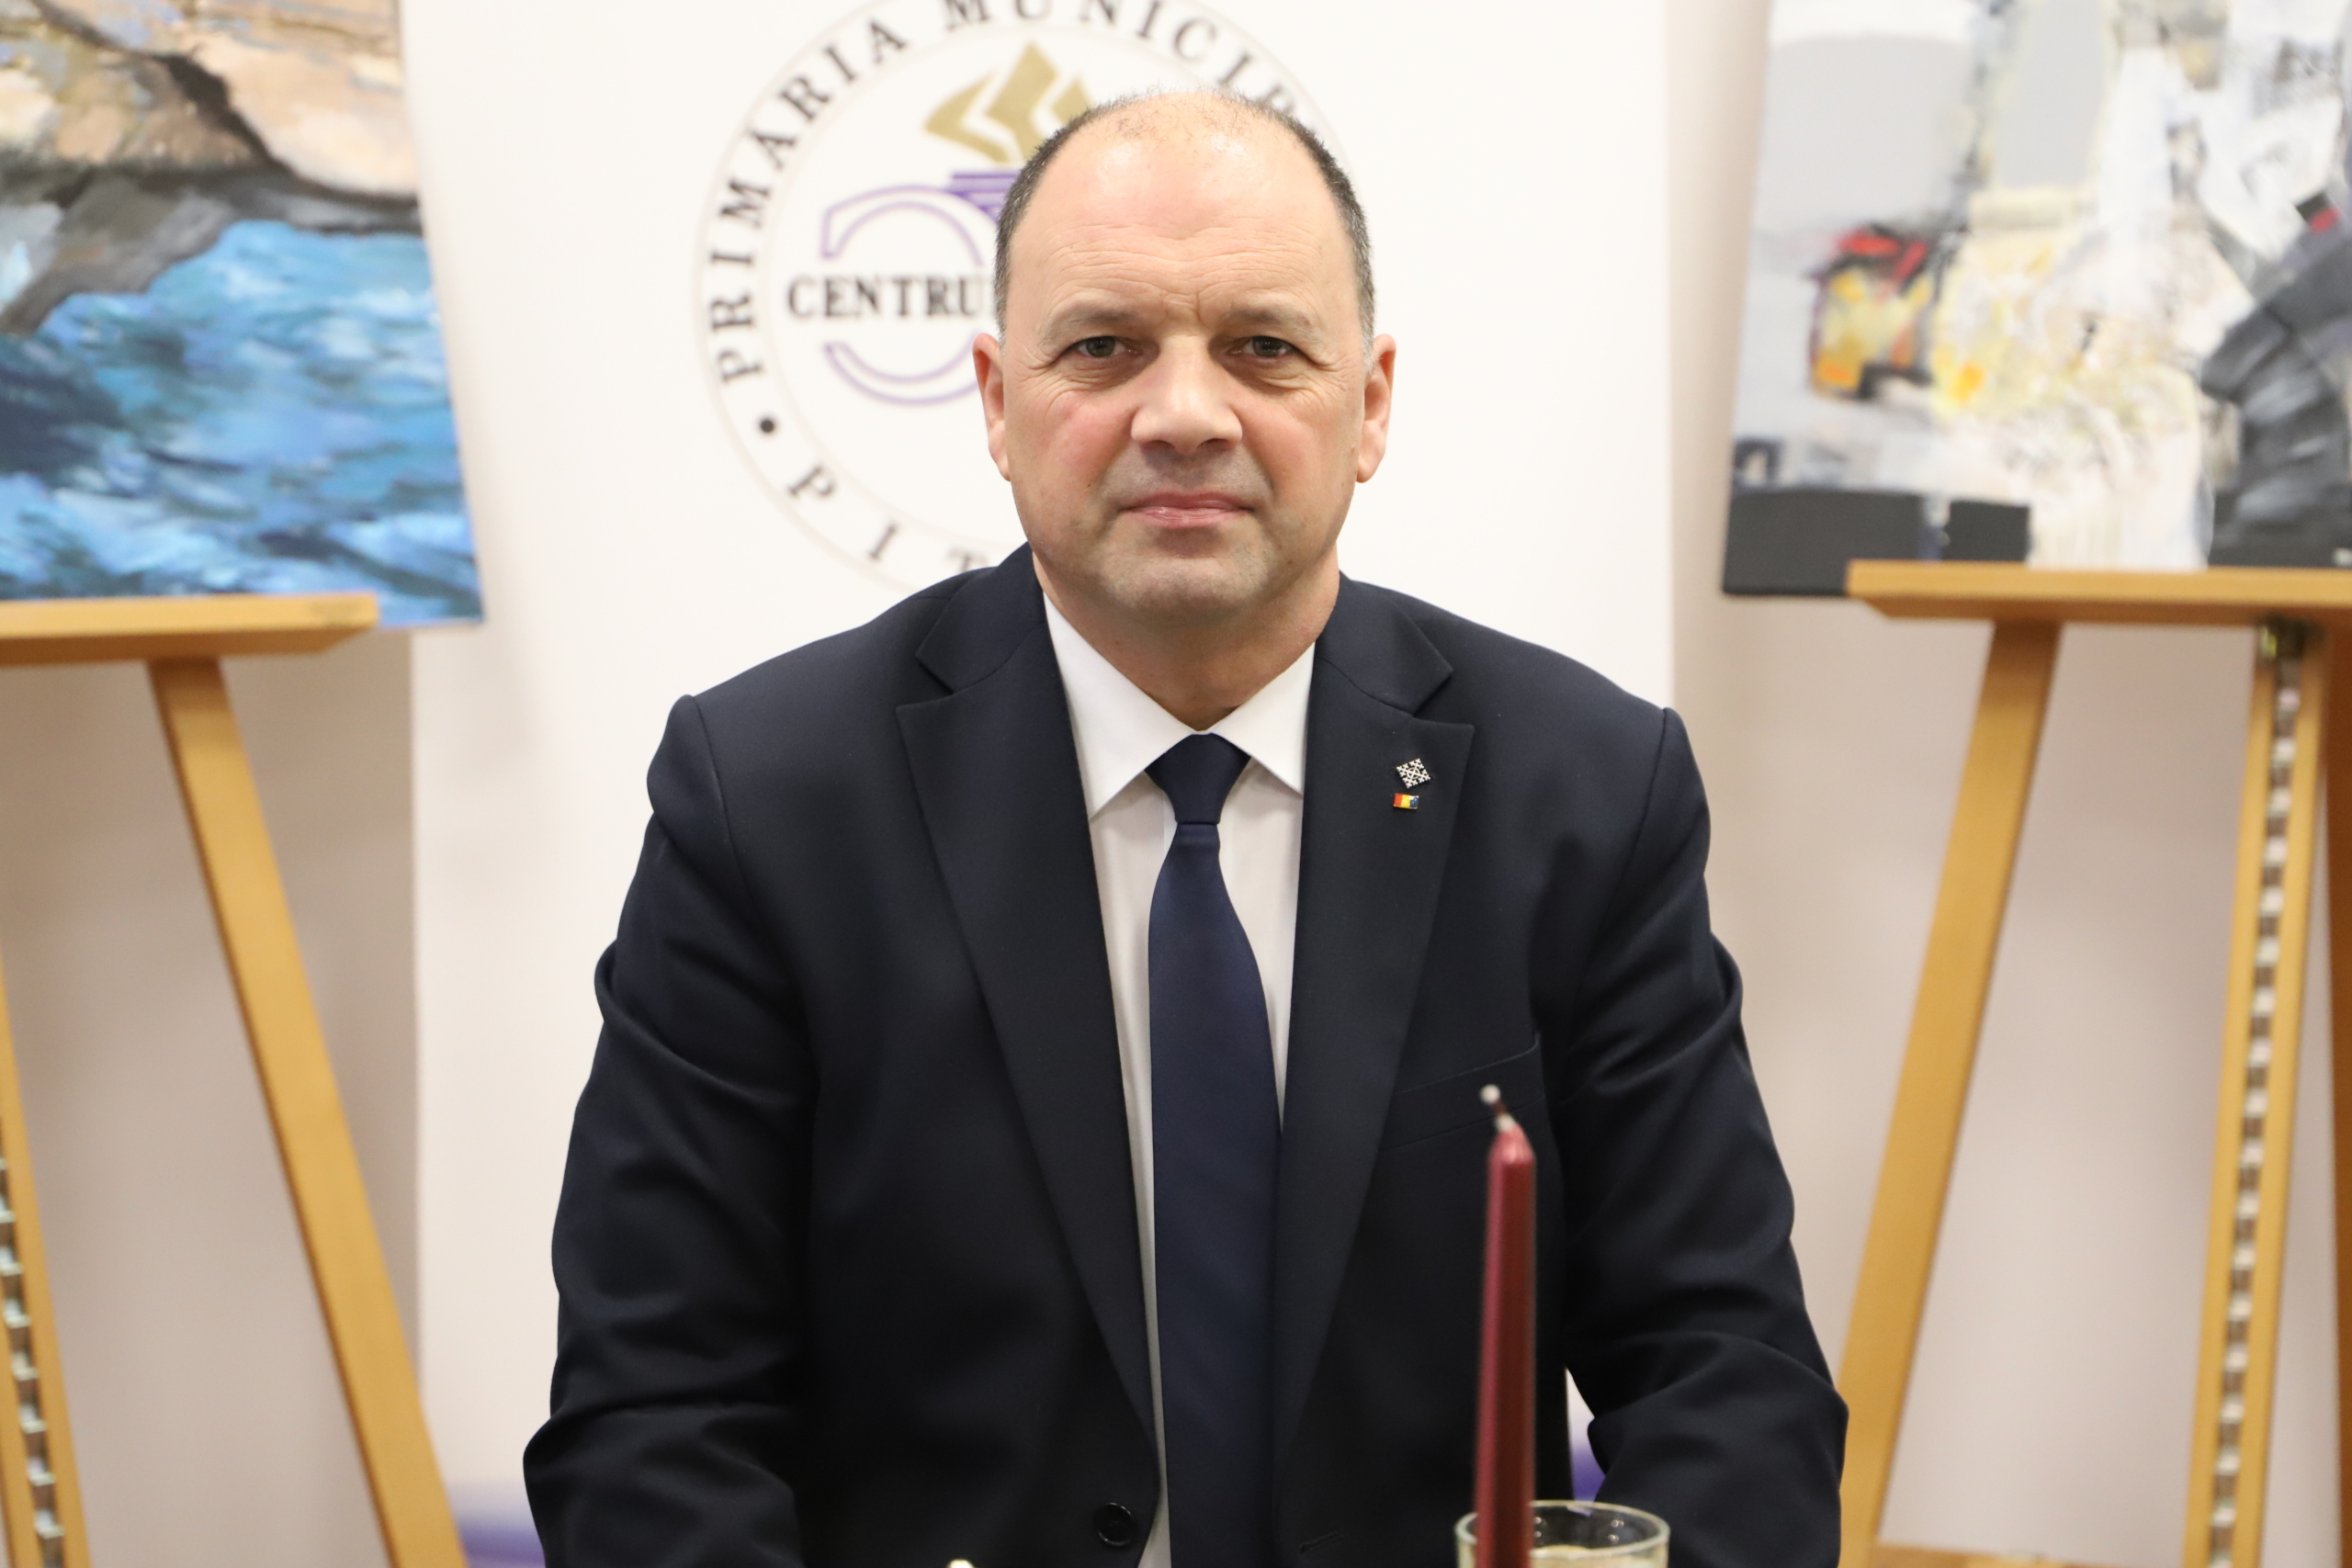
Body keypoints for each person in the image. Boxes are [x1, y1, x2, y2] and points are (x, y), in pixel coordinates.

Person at [525, 92, 1844, 1568]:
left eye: (1264, 347)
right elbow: (653, 1414)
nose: (1186, 415)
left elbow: (1726, 1370)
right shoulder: (768, 800)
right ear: (996, 402)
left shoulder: (1586, 791)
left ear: (1372, 404)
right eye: (1104, 346)